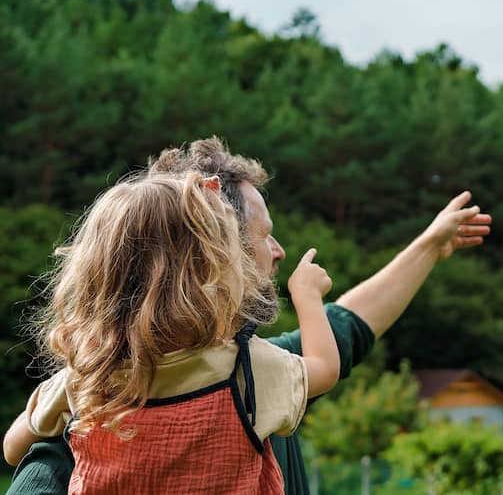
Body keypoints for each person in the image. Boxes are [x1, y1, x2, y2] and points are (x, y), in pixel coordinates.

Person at [6, 138, 491, 494]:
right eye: (265, 235)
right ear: (219, 254)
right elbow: (327, 356)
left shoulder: (85, 393)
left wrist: (428, 247)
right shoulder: (251, 379)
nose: (279, 252)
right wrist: (308, 297)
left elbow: (349, 325)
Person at [3, 171, 341, 494]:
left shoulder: (86, 381)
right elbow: (324, 368)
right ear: (214, 276)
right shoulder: (243, 369)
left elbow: (13, 448)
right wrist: (307, 296)